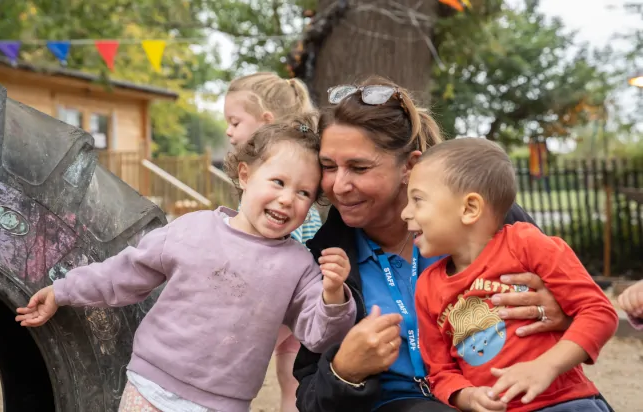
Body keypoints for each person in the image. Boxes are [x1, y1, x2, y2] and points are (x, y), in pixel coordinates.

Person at [292, 77, 605, 412]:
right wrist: (344, 372)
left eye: (359, 167)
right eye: (328, 167)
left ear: (409, 167)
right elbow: (311, 398)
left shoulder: (491, 219)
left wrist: (559, 313)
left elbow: (588, 306)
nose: (339, 185)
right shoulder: (324, 256)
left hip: (514, 398)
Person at [15, 115, 356, 412]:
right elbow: (123, 273)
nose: (287, 198)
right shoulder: (193, 229)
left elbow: (320, 335)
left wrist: (333, 294)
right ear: (245, 174)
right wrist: (62, 291)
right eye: (279, 182)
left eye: (303, 193)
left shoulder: (298, 265)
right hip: (150, 388)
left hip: (225, 404)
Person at [406, 137, 618, 412]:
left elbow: (599, 312)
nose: (404, 213)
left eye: (417, 200)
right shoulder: (428, 286)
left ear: (469, 208)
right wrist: (468, 396)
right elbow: (440, 371)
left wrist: (545, 367)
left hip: (564, 403)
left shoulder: (526, 244)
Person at [224, 72, 322, 411]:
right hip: (291, 303)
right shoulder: (286, 182)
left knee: (281, 377)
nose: (229, 131)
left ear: (266, 122)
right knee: (288, 378)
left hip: (275, 301)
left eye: (235, 122)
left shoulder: (277, 193)